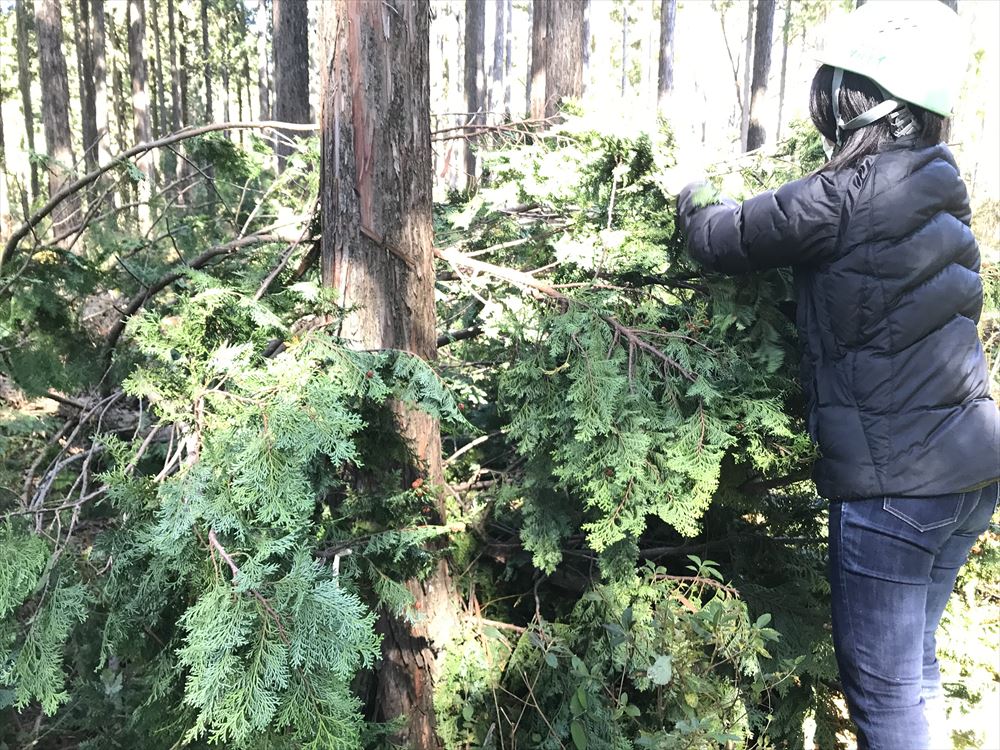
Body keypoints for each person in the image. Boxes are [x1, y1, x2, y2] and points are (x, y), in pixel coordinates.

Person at [675, 3, 1000, 749]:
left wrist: (689, 190)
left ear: (857, 102)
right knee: (914, 673)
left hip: (897, 489)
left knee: (883, 700)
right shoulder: (941, 180)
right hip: (971, 472)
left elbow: (723, 237)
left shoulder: (845, 193)